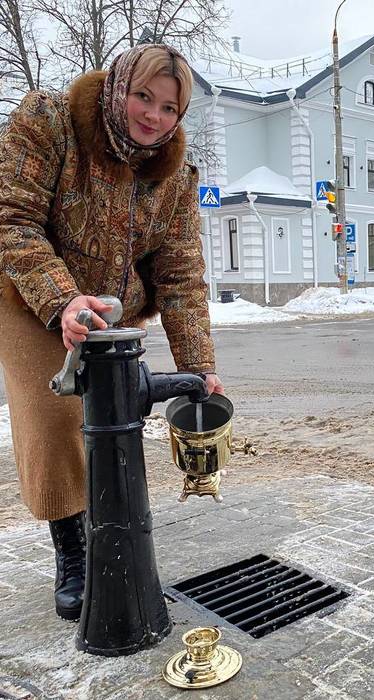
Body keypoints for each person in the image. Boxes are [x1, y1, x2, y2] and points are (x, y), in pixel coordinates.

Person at [0, 44, 223, 621]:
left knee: (112, 419)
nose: (153, 116)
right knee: (54, 417)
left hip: (109, 308)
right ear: (118, 85)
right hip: (29, 293)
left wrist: (200, 366)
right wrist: (60, 298)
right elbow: (11, 216)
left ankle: (110, 531)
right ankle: (72, 552)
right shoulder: (50, 121)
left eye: (169, 108)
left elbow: (180, 273)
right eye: (142, 96)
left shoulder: (174, 175)